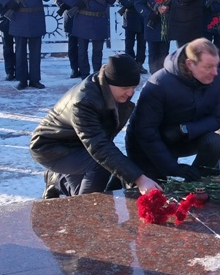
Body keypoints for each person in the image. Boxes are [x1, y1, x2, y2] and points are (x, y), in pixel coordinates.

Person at [29, 53, 161, 197]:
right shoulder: (84, 101)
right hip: (51, 148)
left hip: (79, 144)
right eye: (125, 88)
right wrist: (139, 179)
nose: (130, 93)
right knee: (100, 165)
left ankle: (58, 182)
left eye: (134, 87)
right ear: (110, 82)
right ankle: (86, 208)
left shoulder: (108, 88)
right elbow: (100, 147)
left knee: (85, 187)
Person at [126, 38, 220, 181]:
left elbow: (217, 117)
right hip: (150, 146)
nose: (215, 72)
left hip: (184, 137)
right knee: (154, 189)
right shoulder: (159, 84)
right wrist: (173, 168)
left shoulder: (216, 78)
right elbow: (145, 132)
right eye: (208, 67)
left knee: (214, 142)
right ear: (190, 64)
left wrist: (186, 129)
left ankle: (195, 186)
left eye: (216, 65)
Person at [0, 0, 52, 90]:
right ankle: (22, 79)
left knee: (35, 51)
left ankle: (35, 79)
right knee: (20, 51)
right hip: (19, 16)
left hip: (36, 16)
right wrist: (7, 3)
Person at [57, 0, 116, 78]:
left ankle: (97, 74)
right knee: (82, 50)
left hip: (100, 18)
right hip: (83, 18)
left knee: (98, 50)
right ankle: (84, 75)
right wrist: (74, 3)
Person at [134, 0, 173, 73]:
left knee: (165, 52)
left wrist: (167, 8)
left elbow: (176, 1)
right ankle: (154, 76)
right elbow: (138, 3)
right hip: (152, 22)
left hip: (165, 22)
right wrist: (149, 13)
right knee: (153, 52)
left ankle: (164, 75)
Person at [52, 0, 86, 78]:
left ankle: (83, 68)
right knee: (72, 43)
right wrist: (61, 5)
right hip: (71, 12)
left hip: (84, 13)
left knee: (83, 43)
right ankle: (74, 68)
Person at [114, 0, 148, 74]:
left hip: (142, 15)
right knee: (129, 42)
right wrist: (123, 1)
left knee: (142, 42)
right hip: (130, 13)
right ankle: (130, 64)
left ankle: (140, 63)